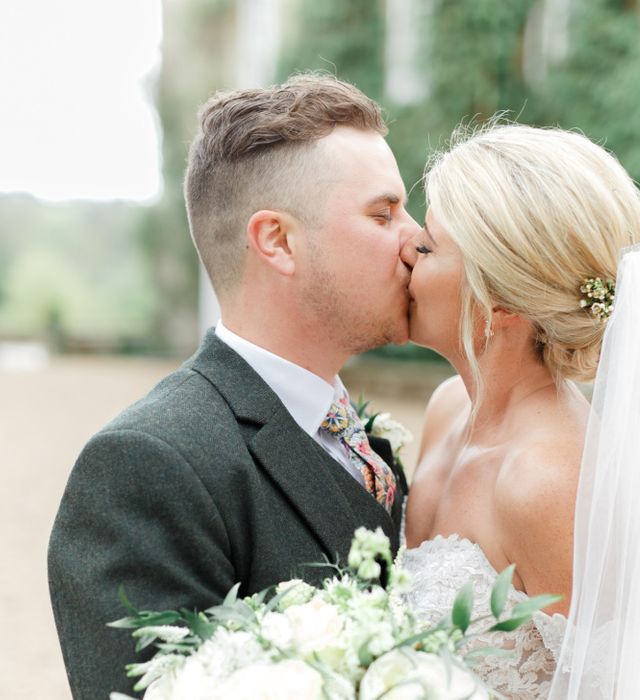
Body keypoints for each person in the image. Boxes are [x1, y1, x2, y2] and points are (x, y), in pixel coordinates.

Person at [48, 74, 419, 699]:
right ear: (277, 241)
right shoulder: (144, 466)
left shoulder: (360, 434)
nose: (418, 238)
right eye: (384, 214)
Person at [400, 123, 640, 698]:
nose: (406, 250)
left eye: (427, 246)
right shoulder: (448, 407)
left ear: (498, 300)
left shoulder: (545, 480)